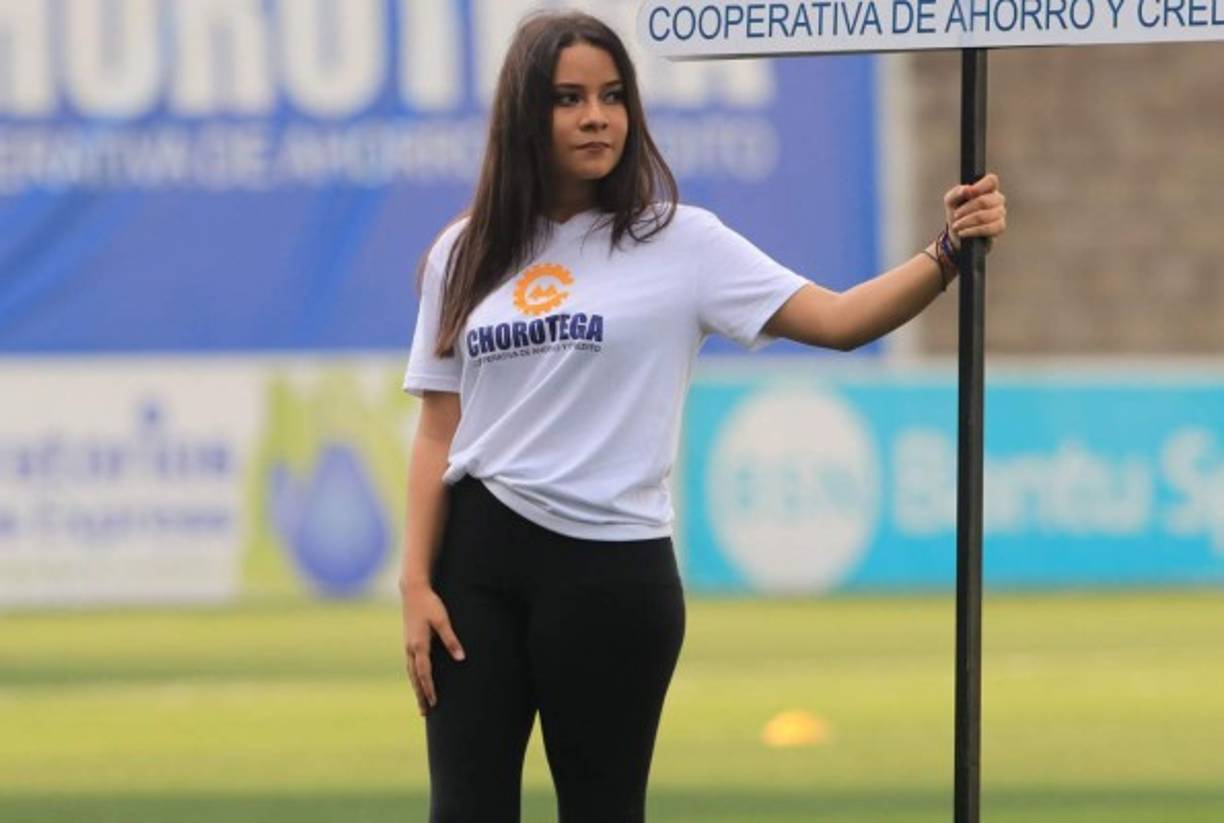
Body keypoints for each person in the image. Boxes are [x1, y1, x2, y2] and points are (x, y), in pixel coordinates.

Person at [399, 10, 1006, 823]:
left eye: (613, 96)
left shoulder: (682, 243)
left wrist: (946, 252)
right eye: (569, 98)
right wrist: (414, 582)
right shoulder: (463, 252)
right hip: (475, 569)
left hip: (610, 574)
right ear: (523, 113)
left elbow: (837, 320)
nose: (596, 117)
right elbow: (439, 430)